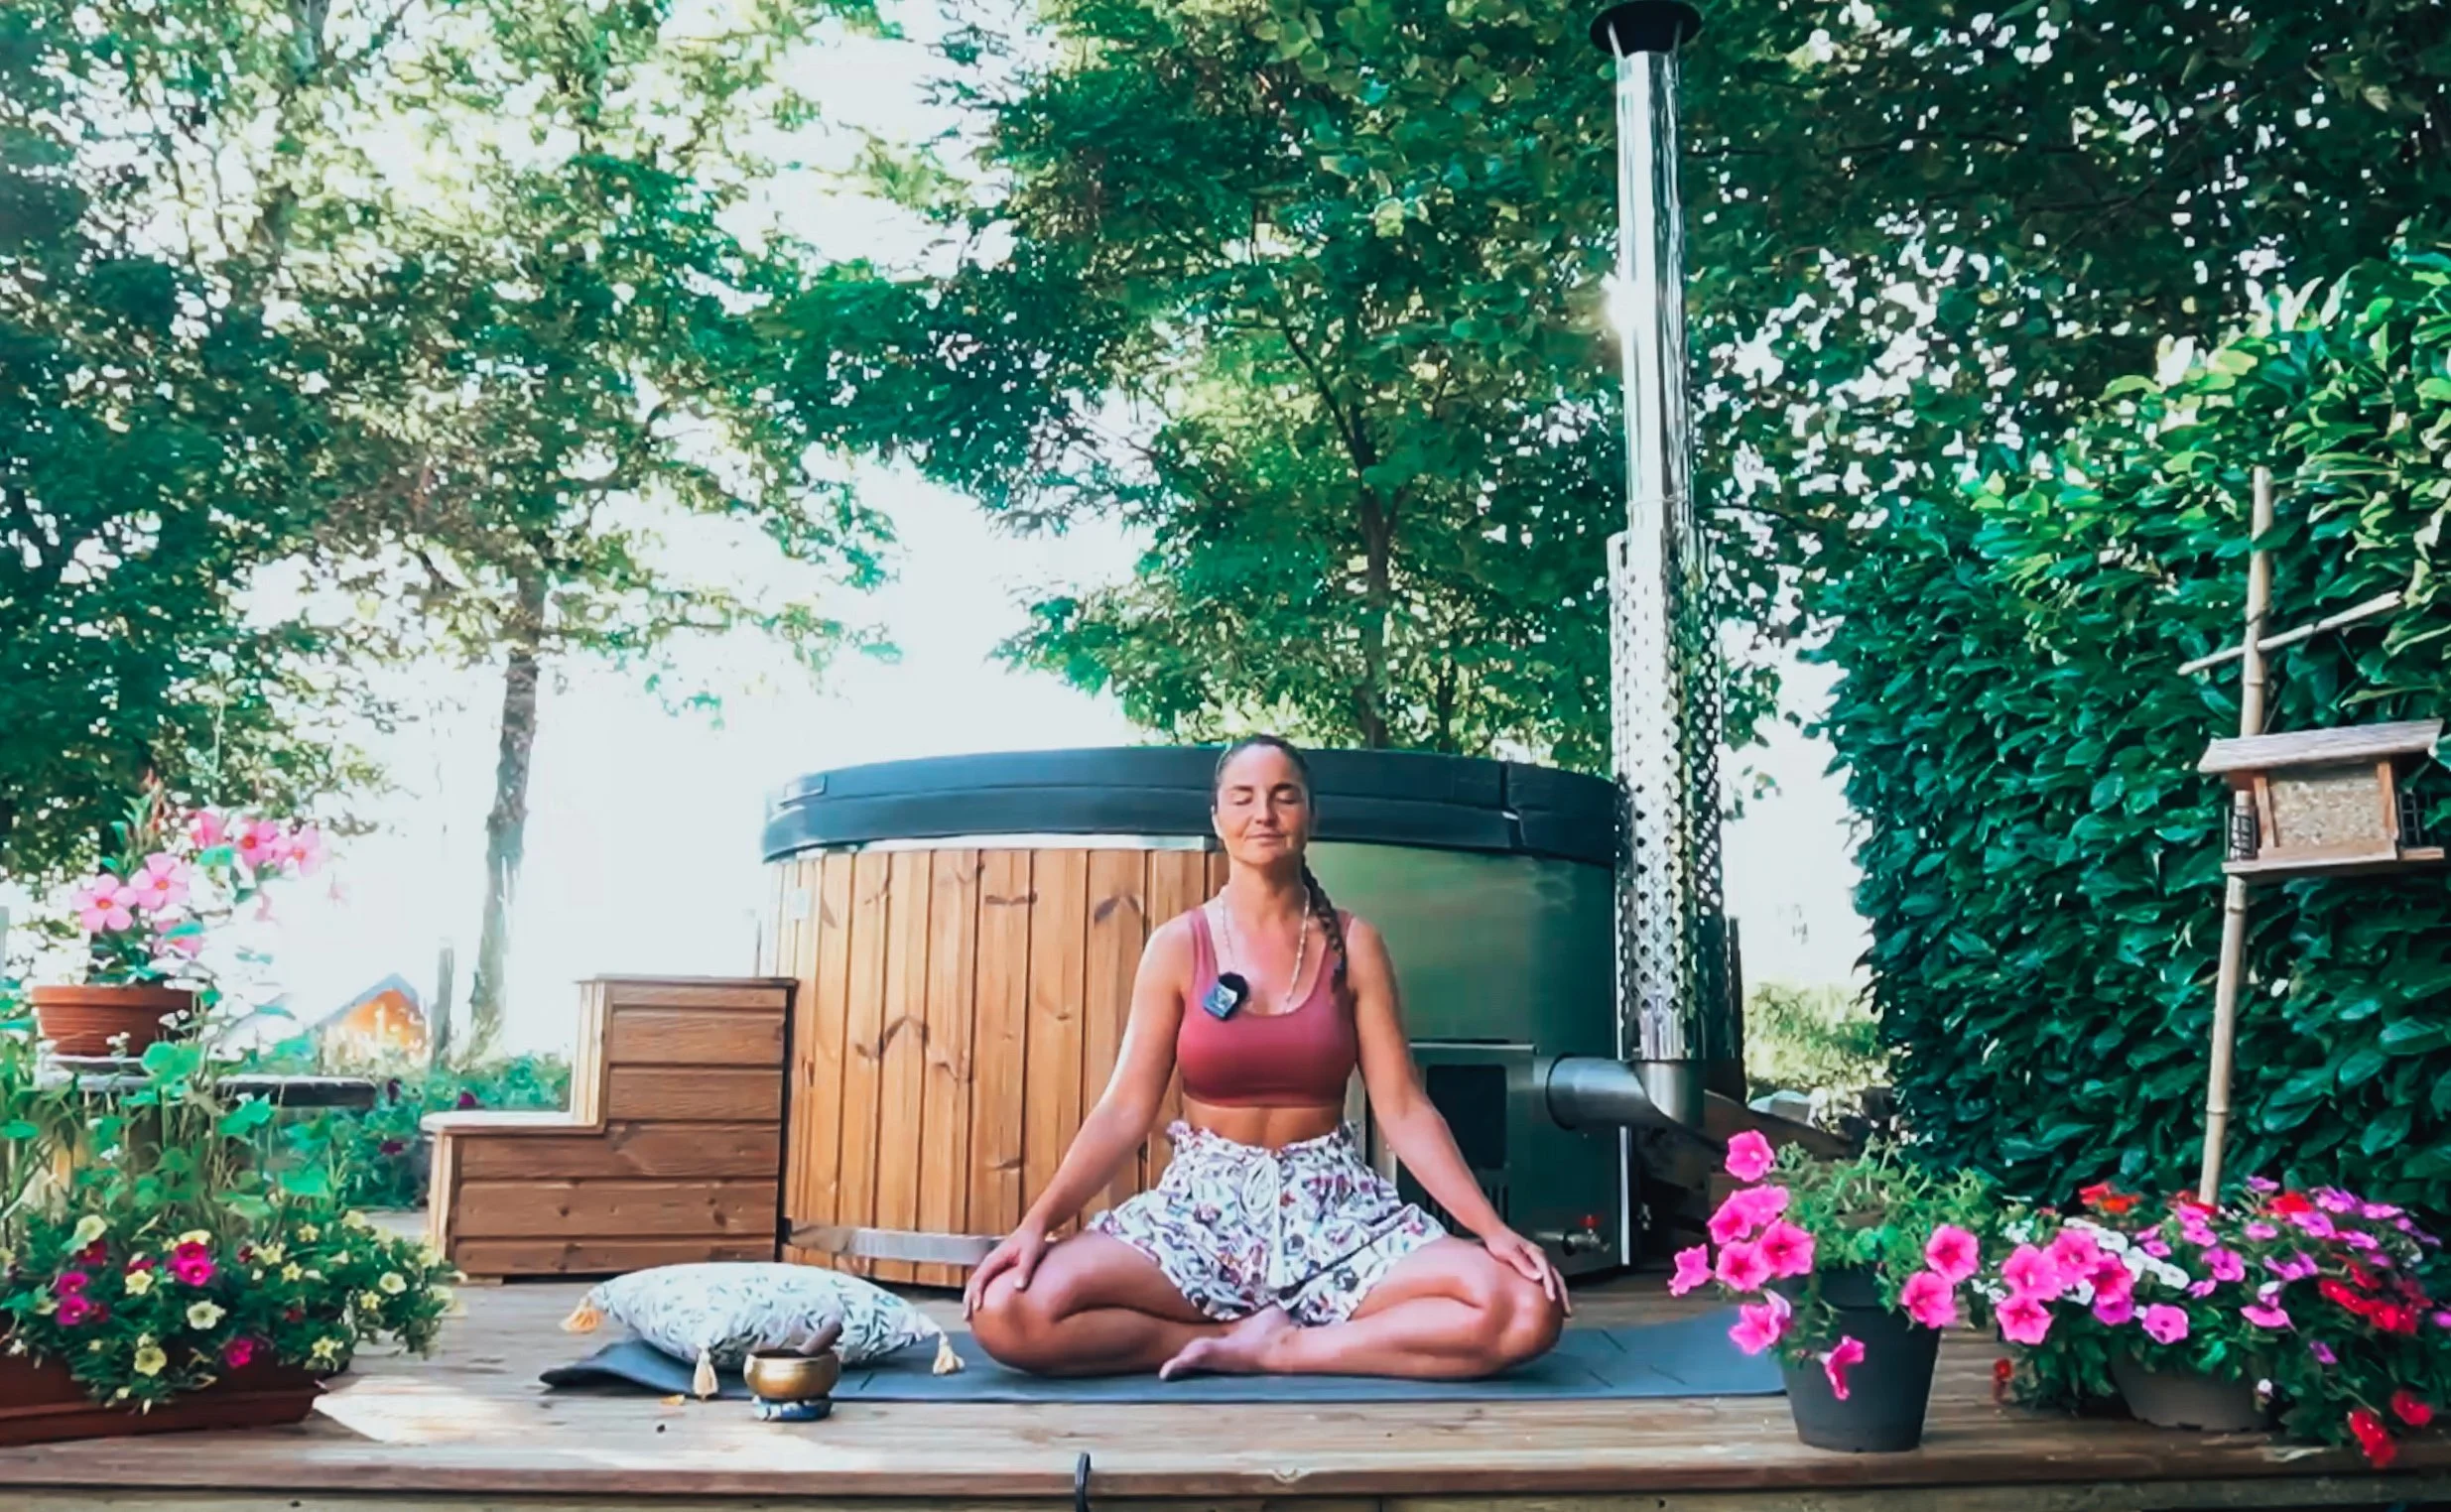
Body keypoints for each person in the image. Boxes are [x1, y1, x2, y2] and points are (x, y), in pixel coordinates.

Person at [963, 735, 1569, 1379]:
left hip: (1334, 1211)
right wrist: (1037, 1223)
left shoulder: (1356, 945)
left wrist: (1491, 1229)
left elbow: (1404, 1109)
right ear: (1217, 817)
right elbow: (1123, 1111)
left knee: (1525, 1308)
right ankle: (1225, 1334)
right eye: (1243, 797)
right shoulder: (1178, 946)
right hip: (1201, 1214)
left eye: (1285, 797)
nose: (1264, 814)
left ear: (1312, 815)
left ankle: (1283, 1348)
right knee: (1008, 1311)